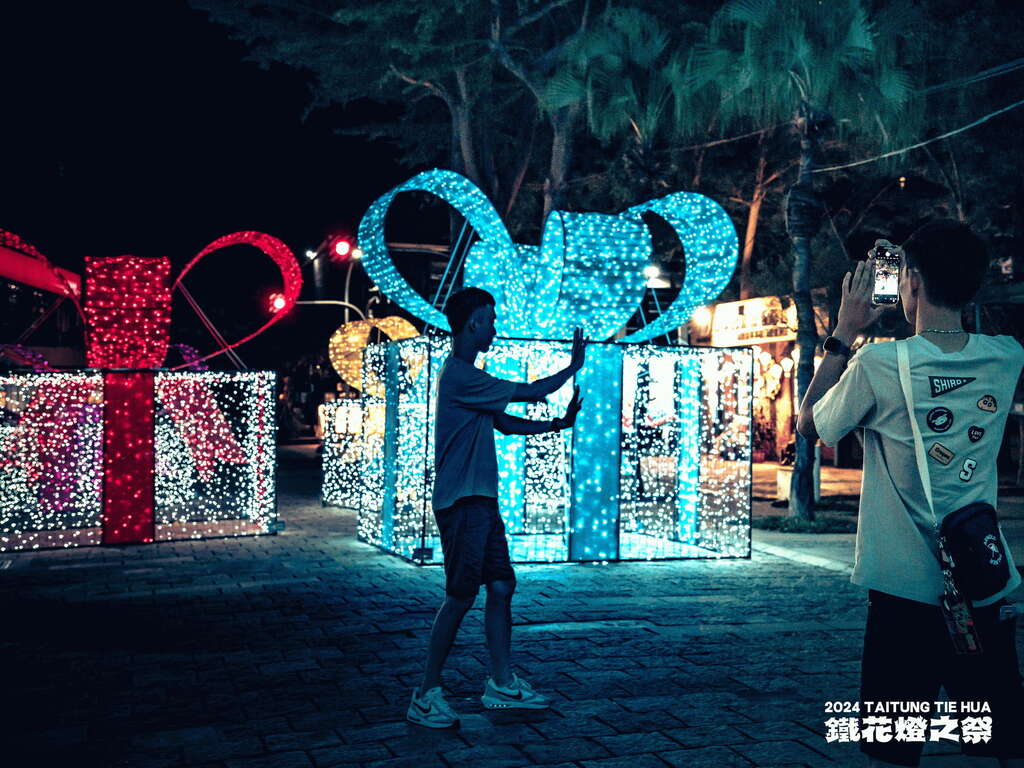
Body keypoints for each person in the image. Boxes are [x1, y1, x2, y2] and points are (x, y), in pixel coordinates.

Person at [797, 220, 1024, 767]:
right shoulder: (1007, 355)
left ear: (913, 281)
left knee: (894, 749)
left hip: (904, 593)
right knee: (1000, 740)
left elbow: (810, 425)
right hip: (983, 579)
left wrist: (844, 331)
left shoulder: (879, 364)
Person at [407, 287, 586, 728]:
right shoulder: (460, 375)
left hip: (480, 501)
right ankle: (426, 693)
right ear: (473, 323)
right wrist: (572, 367)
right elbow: (531, 391)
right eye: (490, 319)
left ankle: (502, 684)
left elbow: (503, 422)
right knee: (460, 595)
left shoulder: (470, 377)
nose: (495, 327)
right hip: (463, 502)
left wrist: (558, 424)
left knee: (502, 585)